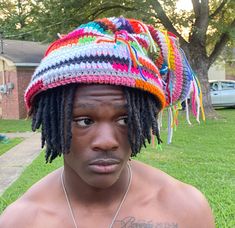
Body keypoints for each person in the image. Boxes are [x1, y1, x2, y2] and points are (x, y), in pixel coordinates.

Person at [0, 17, 214, 228]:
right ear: (49, 121)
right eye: (84, 121)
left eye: (125, 119)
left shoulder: (185, 210)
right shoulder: (21, 220)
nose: (106, 142)